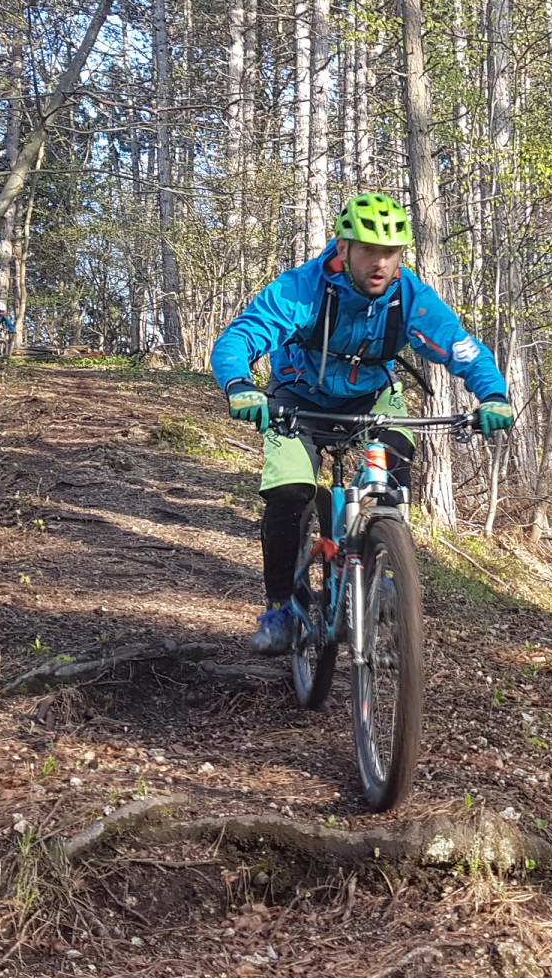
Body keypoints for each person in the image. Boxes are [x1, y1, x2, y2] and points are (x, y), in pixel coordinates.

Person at [212, 192, 516, 655]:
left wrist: (492, 395)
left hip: (374, 398)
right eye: (369, 250)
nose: (380, 263)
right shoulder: (303, 289)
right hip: (297, 398)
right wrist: (239, 384)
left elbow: (461, 348)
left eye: (390, 252)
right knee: (289, 491)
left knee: (394, 464)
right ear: (343, 248)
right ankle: (281, 608)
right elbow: (243, 335)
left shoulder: (409, 297)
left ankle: (384, 563)